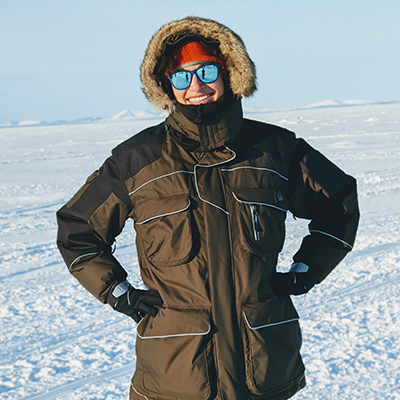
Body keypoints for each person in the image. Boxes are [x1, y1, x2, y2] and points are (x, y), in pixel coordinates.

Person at [57, 16, 360, 400]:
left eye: (206, 70)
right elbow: (77, 230)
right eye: (181, 77)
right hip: (177, 374)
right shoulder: (137, 160)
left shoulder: (276, 149)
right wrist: (120, 293)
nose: (195, 86)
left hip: (263, 368)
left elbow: (339, 203)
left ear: (230, 71)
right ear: (166, 86)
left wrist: (305, 272)